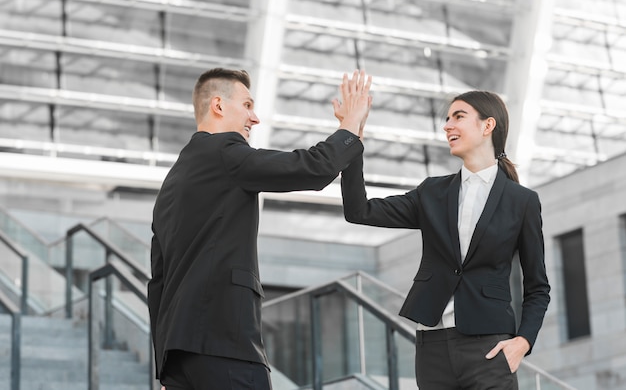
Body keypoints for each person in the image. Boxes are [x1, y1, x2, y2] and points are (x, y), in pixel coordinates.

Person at [148, 68, 372, 389]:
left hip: (179, 358)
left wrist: (165, 370)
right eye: (248, 105)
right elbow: (313, 168)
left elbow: (158, 281)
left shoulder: (172, 182)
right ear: (219, 106)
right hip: (225, 345)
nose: (255, 118)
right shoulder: (225, 153)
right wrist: (350, 124)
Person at [338, 90, 550, 389]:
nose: (447, 125)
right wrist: (352, 137)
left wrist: (523, 342)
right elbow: (359, 211)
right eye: (447, 119)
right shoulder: (432, 193)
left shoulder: (522, 201)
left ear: (487, 125)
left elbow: (538, 286)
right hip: (433, 348)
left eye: (458, 117)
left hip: (490, 349)